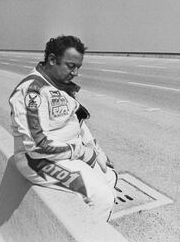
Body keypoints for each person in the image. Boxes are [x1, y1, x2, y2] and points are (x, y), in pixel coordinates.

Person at [9, 35, 118, 221]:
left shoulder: (59, 85)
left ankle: (89, 225)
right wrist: (82, 152)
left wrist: (95, 148)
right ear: (52, 60)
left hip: (65, 153)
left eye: (78, 67)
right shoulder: (32, 91)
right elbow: (37, 147)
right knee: (101, 196)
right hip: (37, 160)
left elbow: (76, 120)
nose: (75, 73)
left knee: (110, 177)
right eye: (71, 66)